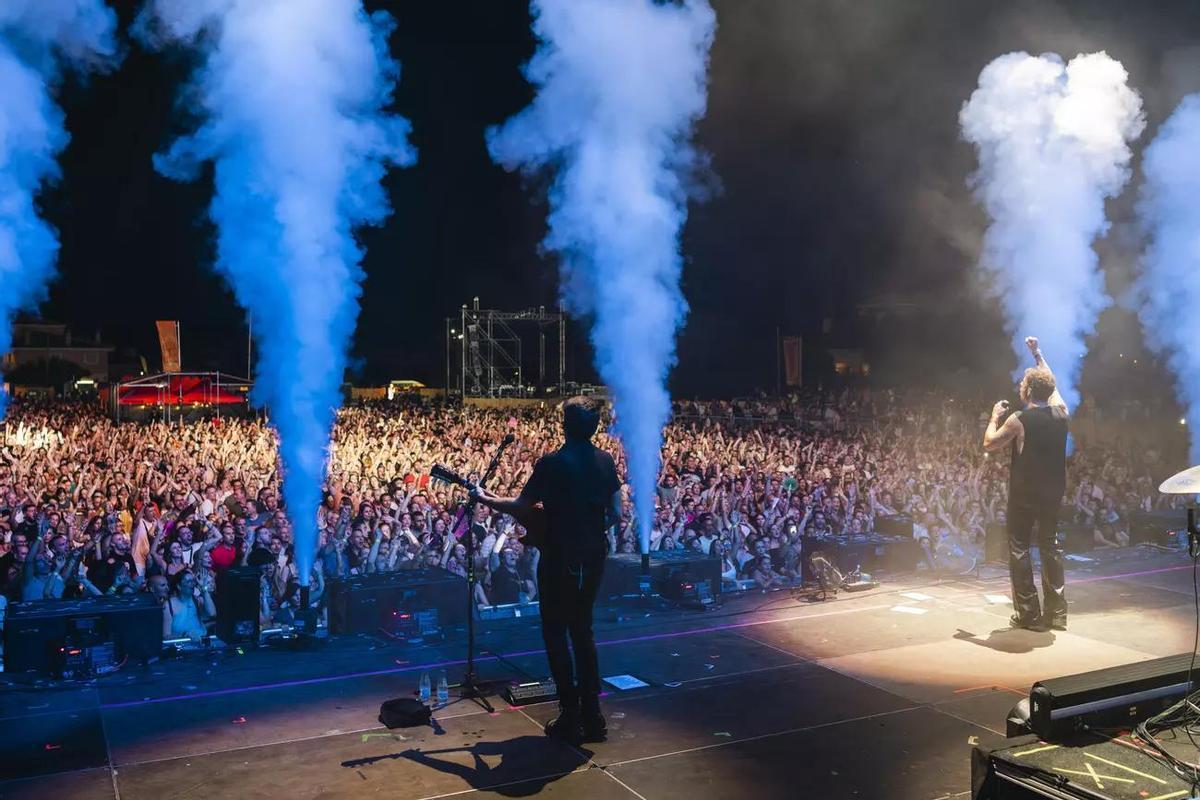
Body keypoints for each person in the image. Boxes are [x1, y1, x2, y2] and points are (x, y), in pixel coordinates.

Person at [471, 396, 620, 745]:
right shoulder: (604, 460)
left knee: (555, 632)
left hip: (558, 557)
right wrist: (587, 528)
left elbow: (522, 505)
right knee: (583, 632)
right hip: (593, 556)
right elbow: (615, 513)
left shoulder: (552, 463)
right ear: (594, 427)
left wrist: (485, 498)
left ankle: (570, 716)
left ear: (565, 425)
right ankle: (593, 718)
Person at [983, 336, 1070, 632]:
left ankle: (1029, 614)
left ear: (1030, 389)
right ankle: (1057, 614)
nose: (1021, 385)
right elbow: (1054, 386)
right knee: (1050, 545)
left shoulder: (1019, 420)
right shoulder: (1062, 412)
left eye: (1024, 382)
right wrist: (1038, 354)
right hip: (1053, 490)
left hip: (1025, 494)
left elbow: (989, 443)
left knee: (1019, 548)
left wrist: (993, 417)